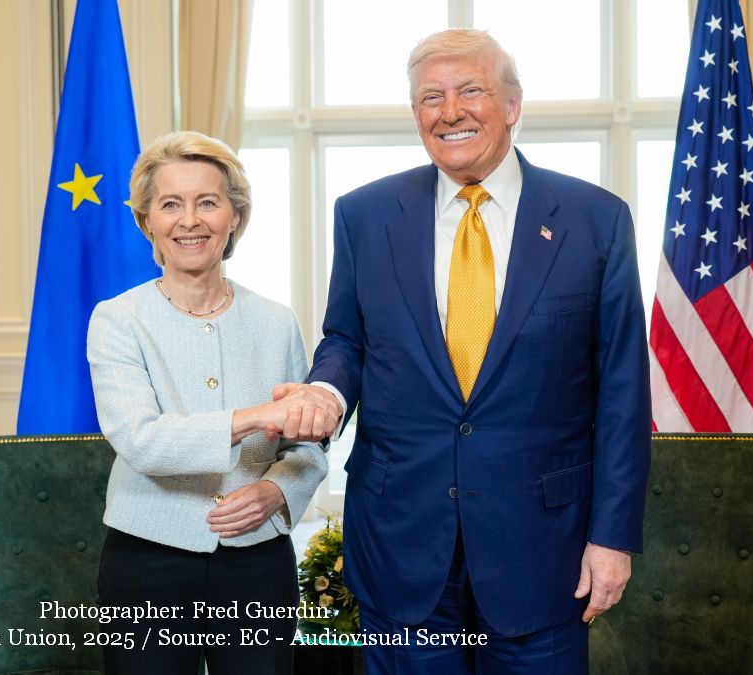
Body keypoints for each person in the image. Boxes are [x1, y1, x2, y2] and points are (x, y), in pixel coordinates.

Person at [273, 29, 651, 673]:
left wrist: (612, 537)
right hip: (401, 537)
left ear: (512, 104)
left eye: (470, 90)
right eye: (430, 97)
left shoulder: (596, 218)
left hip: (543, 548)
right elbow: (347, 339)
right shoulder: (364, 215)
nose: (450, 111)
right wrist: (327, 390)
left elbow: (622, 390)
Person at [87, 130, 329, 674]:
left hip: (258, 563)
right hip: (145, 561)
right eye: (170, 204)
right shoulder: (117, 320)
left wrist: (275, 490)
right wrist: (256, 417)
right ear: (147, 220)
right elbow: (141, 441)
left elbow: (307, 450)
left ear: (235, 216)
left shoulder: (276, 320)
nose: (189, 220)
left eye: (208, 202)